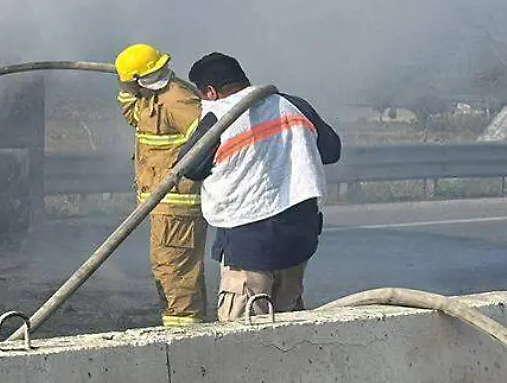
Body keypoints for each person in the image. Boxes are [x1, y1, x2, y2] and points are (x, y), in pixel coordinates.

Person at [178, 52, 342, 320]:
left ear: (209, 91)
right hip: (299, 233)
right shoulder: (293, 104)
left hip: (249, 240)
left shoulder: (219, 117)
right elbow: (331, 150)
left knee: (244, 331)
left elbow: (190, 168)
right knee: (289, 325)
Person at [115, 42, 209, 328]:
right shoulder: (152, 97)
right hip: (164, 204)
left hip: (177, 204)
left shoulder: (177, 99)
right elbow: (138, 118)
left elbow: (207, 138)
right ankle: (184, 325)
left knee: (174, 272)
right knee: (170, 269)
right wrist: (126, 89)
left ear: (139, 80)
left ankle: (182, 336)